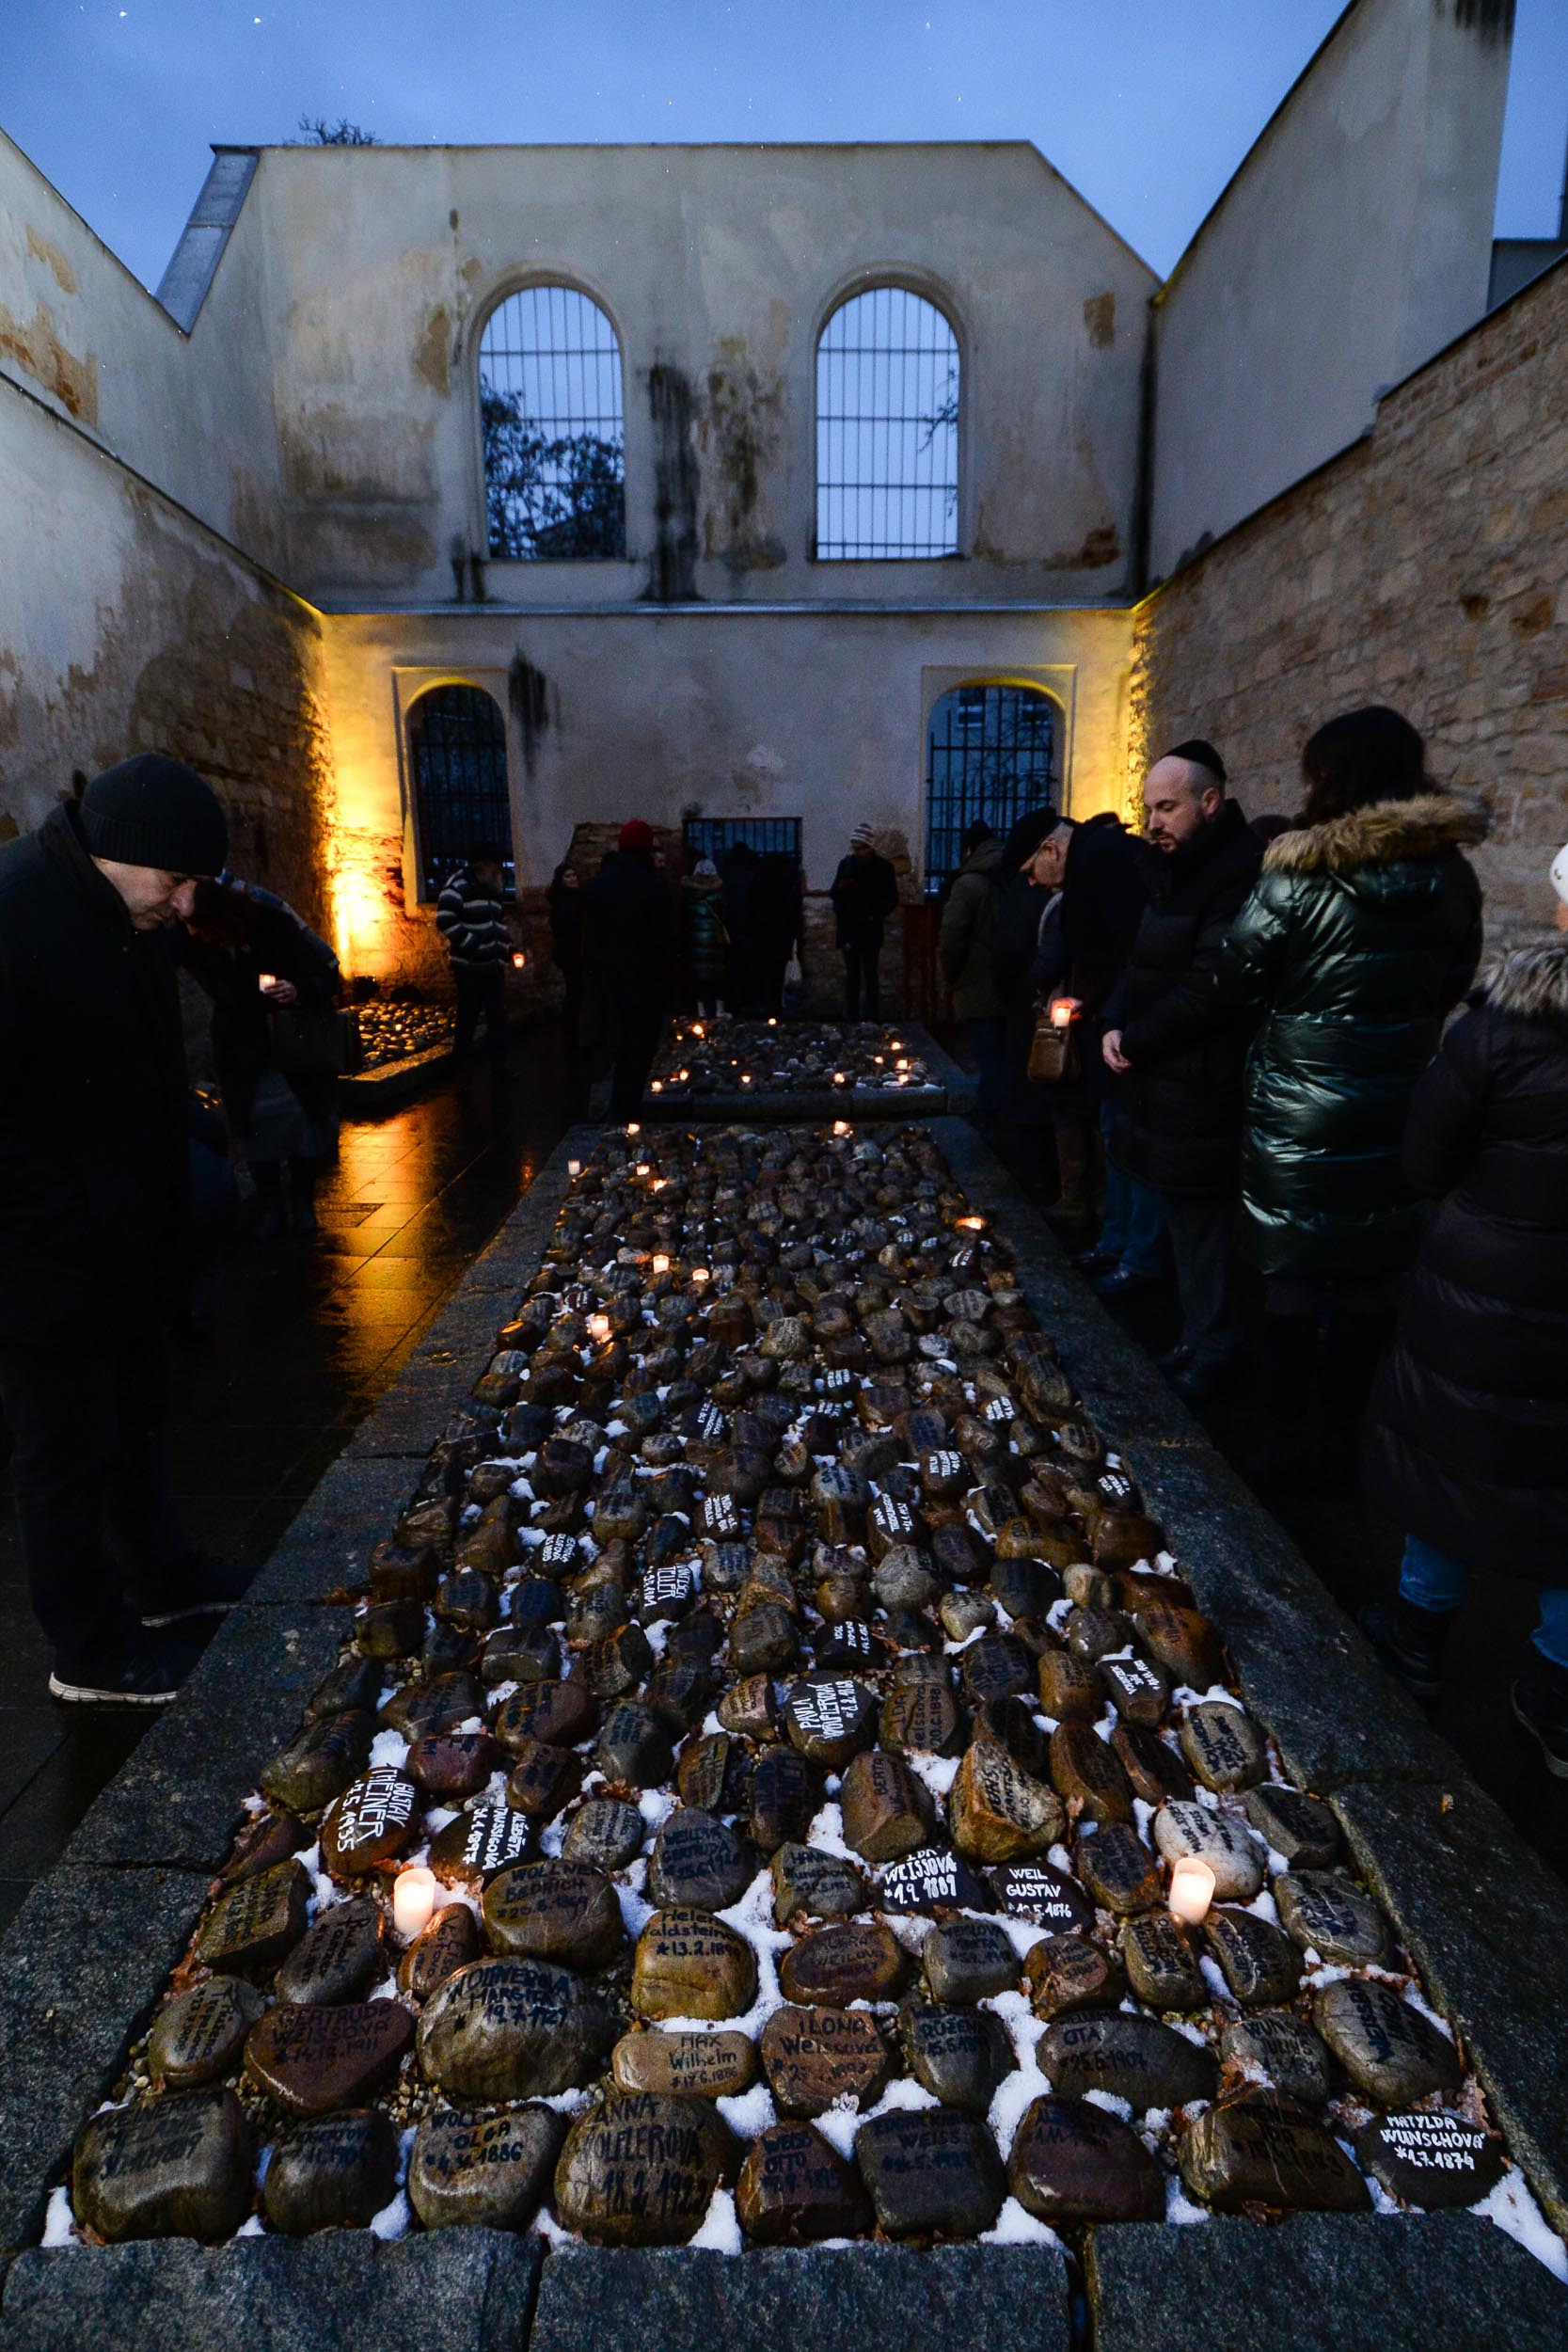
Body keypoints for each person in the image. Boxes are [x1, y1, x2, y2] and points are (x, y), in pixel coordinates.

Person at [0, 754, 250, 1705]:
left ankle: (163, 1579)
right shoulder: (15, 912)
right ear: (116, 853)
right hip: (41, 1257)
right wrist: (71, 1218)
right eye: (175, 882)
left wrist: (193, 1139)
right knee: (64, 1450)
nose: (185, 908)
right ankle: (90, 1650)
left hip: (128, 1237)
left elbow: (144, 1055)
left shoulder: (129, 913)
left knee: (139, 1418)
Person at [1214, 706, 1485, 1478]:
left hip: (1295, 1111)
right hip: (1397, 1101)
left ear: (1325, 777)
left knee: (1288, 1276)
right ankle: (1341, 1442)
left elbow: (1238, 978)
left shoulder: (1296, 874)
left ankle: (1280, 1445)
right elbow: (1453, 979)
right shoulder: (1450, 875)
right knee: (1370, 1277)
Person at [1359, 846, 1568, 1772]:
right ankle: (1556, 1686)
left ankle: (1415, 1633)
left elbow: (1422, 1158)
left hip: (1488, 1289)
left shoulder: (1499, 1031)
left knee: (1457, 1453)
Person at [1101, 740, 1263, 1398]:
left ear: (1209, 801)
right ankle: (1195, 1337)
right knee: (1182, 1223)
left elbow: (1210, 986)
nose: (1153, 822)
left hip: (1200, 1080)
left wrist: (1134, 1037)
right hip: (1166, 1079)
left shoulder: (1234, 873)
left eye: (1166, 807)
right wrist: (1115, 1018)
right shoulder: (1173, 870)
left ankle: (1214, 1348)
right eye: (1147, 810)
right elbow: (1142, 963)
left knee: (1202, 1230)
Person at [180, 879, 342, 1239]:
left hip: (291, 1043)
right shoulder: (195, 943)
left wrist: (298, 989)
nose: (196, 934)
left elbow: (325, 973)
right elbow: (227, 990)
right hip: (242, 1048)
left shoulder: (272, 924)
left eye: (200, 927)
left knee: (302, 1127)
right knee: (255, 1129)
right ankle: (271, 1207)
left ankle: (302, 1204)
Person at [1025, 810, 1148, 1229]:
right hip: (1105, 1017)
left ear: (1051, 849)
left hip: (1113, 1028)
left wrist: (1093, 1003)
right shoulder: (1091, 868)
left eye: (1031, 869)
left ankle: (1118, 1236)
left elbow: (1118, 955)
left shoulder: (1096, 871)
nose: (1032, 881)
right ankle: (1110, 1229)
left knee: (1110, 1127)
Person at [583, 818, 679, 1118]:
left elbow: (589, 938)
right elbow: (666, 938)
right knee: (639, 1048)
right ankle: (627, 1108)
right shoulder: (655, 885)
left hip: (608, 980)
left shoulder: (597, 886)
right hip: (646, 982)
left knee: (616, 1045)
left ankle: (610, 1104)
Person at [939, 819, 1006, 1118]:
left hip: (977, 984)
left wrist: (951, 976)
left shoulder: (968, 885)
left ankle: (991, 1118)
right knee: (1003, 1053)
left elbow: (953, 937)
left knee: (986, 1055)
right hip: (1011, 982)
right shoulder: (1014, 876)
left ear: (968, 850)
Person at [436, 842, 512, 1068]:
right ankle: (461, 1064)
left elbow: (498, 922)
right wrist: (474, 945)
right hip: (470, 967)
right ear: (483, 866)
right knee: (468, 1016)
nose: (499, 871)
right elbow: (445, 920)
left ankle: (500, 1065)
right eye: (495, 867)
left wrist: (507, 946)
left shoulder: (492, 888)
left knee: (497, 1017)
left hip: (493, 964)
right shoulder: (457, 886)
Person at [831, 822, 898, 1020]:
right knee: (852, 975)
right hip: (850, 928)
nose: (856, 852)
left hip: (869, 928)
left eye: (860, 848)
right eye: (854, 848)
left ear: (869, 847)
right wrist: (842, 893)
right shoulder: (846, 865)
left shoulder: (883, 868)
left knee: (870, 974)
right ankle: (851, 1016)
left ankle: (871, 1016)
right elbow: (836, 893)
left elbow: (891, 899)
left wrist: (874, 914)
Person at [751, 850, 804, 1020]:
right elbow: (793, 912)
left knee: (765, 974)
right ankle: (776, 1008)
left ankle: (767, 1007)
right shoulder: (787, 886)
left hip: (763, 937)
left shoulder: (758, 885)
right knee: (778, 975)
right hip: (781, 938)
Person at [680, 856, 728, 1015]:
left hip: (695, 942)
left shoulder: (688, 893)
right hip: (715, 941)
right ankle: (719, 1009)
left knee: (699, 978)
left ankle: (701, 1011)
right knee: (717, 977)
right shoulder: (719, 893)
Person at [546, 855, 585, 1044]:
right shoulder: (563, 902)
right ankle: (571, 1028)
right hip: (570, 952)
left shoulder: (575, 898)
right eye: (568, 876)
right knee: (574, 990)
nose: (573, 879)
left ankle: (573, 1027)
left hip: (574, 951)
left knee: (576, 990)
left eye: (574, 875)